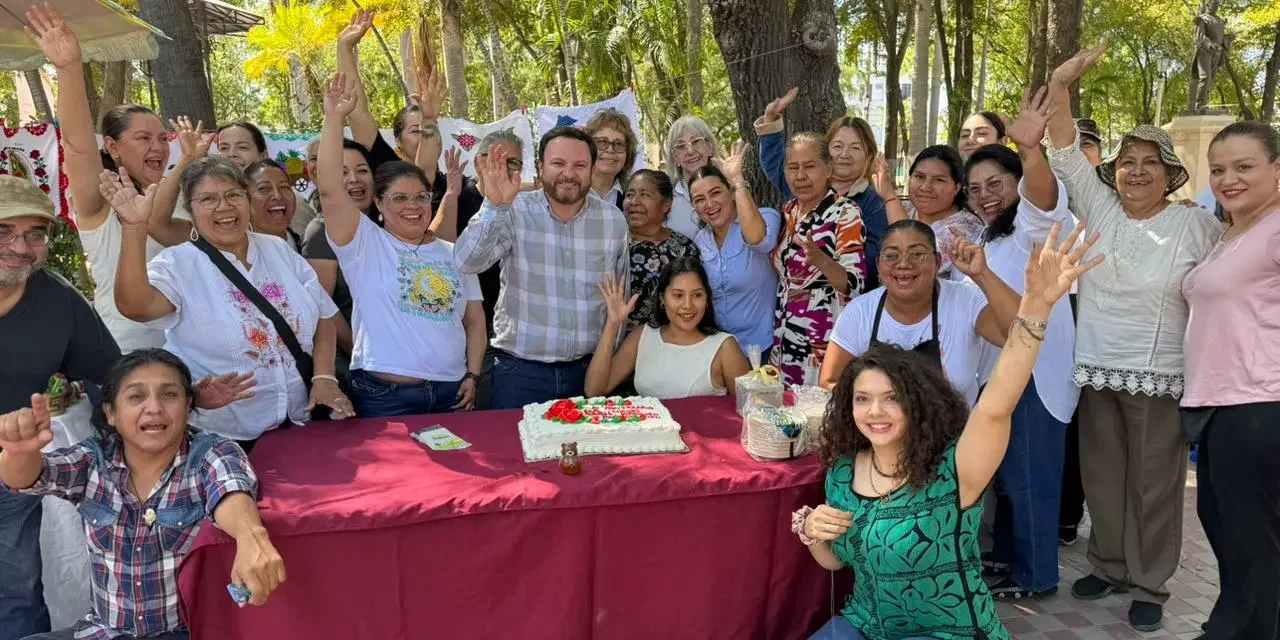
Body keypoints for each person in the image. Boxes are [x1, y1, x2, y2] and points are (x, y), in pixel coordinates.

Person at [797, 223, 1102, 640]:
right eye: (863, 399)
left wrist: (1035, 311)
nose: (876, 412)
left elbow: (995, 406)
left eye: (892, 398)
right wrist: (812, 531)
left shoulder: (954, 469)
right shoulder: (843, 473)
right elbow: (835, 561)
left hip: (949, 631)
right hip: (866, 625)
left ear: (918, 404)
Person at [0, 176, 252, 639]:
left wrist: (183, 399)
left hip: (14, 460)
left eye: (35, 233)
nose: (20, 245)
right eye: (4, 231)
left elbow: (114, 374)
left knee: (13, 589)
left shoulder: (56, 300)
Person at [1045, 45, 1222, 632]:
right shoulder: (1099, 207)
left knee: (1154, 486)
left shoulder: (1195, 224)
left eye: (1150, 161)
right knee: (1102, 475)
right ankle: (1110, 563)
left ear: (1170, 173)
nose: (1136, 170)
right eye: (1127, 160)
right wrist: (1061, 83)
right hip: (1096, 368)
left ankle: (1150, 581)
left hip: (1162, 375)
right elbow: (1065, 149)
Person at [1, 349, 286, 640]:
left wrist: (251, 536)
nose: (154, 408)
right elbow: (31, 477)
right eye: (136, 397)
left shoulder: (209, 453)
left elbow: (230, 487)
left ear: (188, 406)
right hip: (103, 632)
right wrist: (18, 451)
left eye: (169, 395)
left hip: (186, 632)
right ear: (111, 413)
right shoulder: (92, 461)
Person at [107, 157, 352, 446]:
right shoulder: (178, 264)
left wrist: (324, 377)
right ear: (191, 211)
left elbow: (322, 315)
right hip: (224, 436)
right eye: (208, 199)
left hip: (301, 421)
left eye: (234, 195)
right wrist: (134, 228)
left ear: (247, 201)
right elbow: (135, 306)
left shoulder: (278, 250)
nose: (224, 207)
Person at [24, 5, 202, 353]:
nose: (157, 146)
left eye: (161, 137)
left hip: (194, 352)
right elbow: (76, 145)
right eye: (142, 138)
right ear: (112, 146)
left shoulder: (183, 198)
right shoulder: (103, 198)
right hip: (127, 354)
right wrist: (69, 68)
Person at [968, 88, 1082, 600]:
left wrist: (1032, 151)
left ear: (1017, 183)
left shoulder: (1036, 226)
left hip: (1037, 376)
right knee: (1011, 475)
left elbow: (1043, 194)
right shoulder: (992, 236)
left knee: (1032, 475)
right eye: (975, 188)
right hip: (1003, 374)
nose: (986, 194)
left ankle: (1037, 576)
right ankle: (1013, 563)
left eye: (996, 183)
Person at [317, 73, 486, 417]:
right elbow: (330, 187)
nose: (412, 206)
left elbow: (475, 321)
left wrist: (474, 374)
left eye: (420, 197)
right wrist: (334, 118)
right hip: (385, 398)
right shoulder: (363, 244)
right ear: (378, 203)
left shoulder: (454, 253)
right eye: (399, 198)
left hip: (452, 394)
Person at [1181, 121, 1280, 640]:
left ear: (1277, 170)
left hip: (1260, 403)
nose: (1228, 178)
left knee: (1251, 540)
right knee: (1224, 526)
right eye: (1219, 169)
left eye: (1245, 167)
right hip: (1218, 405)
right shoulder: (1231, 233)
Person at [456, 126, 630, 409]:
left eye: (579, 165)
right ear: (540, 167)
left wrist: (606, 364)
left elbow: (620, 299)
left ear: (592, 168)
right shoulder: (513, 210)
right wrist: (494, 206)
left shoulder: (613, 221)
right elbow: (467, 262)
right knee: (514, 453)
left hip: (588, 375)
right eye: (558, 163)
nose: (568, 174)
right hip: (520, 375)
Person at [819, 221, 1020, 407]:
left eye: (917, 254)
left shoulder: (965, 299)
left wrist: (982, 274)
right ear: (879, 265)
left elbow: (1019, 335)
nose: (904, 263)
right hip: (878, 437)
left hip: (957, 440)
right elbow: (830, 381)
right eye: (891, 255)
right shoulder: (860, 311)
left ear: (938, 262)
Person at [755, 88, 889, 287]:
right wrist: (771, 120)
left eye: (855, 147)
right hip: (788, 310)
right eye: (837, 146)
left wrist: (824, 259)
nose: (844, 154)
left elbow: (870, 265)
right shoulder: (808, 190)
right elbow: (776, 163)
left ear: (868, 156)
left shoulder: (872, 204)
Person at [772, 132, 868, 387]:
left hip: (822, 343)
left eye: (810, 166)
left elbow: (854, 284)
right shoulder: (789, 212)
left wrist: (822, 261)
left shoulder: (845, 213)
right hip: (784, 338)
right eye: (793, 167)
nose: (800, 176)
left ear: (829, 169)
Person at [584, 260, 749, 399]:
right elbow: (594, 391)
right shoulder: (642, 336)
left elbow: (750, 408)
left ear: (707, 299)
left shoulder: (724, 347)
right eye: (678, 295)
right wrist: (613, 323)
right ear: (662, 298)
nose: (687, 305)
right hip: (650, 436)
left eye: (697, 295)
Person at [690, 155, 780, 360]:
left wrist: (738, 181)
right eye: (699, 200)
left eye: (716, 193)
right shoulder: (700, 241)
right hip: (719, 351)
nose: (709, 204)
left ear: (730, 192)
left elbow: (759, 239)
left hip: (764, 348)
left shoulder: (766, 216)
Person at [876, 145, 986, 280]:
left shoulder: (966, 225)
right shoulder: (903, 208)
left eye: (938, 180)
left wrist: (890, 196)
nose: (925, 187)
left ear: (957, 187)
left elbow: (913, 256)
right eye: (919, 177)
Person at [623, 169, 697, 330]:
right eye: (629, 195)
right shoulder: (612, 243)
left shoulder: (684, 249)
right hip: (616, 344)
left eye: (645, 195)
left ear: (666, 205)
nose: (634, 201)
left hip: (667, 344)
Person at [217, 122, 316, 241]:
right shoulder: (210, 204)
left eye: (242, 147)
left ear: (263, 156)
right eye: (224, 148)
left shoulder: (289, 201)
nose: (231, 154)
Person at [665, 115, 719, 238]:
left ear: (709, 146)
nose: (690, 151)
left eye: (695, 142)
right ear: (674, 157)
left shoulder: (730, 187)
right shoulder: (667, 196)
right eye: (681, 146)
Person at [584, 109, 639, 211]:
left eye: (618, 144)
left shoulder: (636, 197)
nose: (610, 150)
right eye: (601, 142)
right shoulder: (570, 190)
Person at [245, 161, 302, 251]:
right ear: (245, 198)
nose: (278, 196)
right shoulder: (237, 256)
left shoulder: (308, 249)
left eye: (283, 187)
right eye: (263, 189)